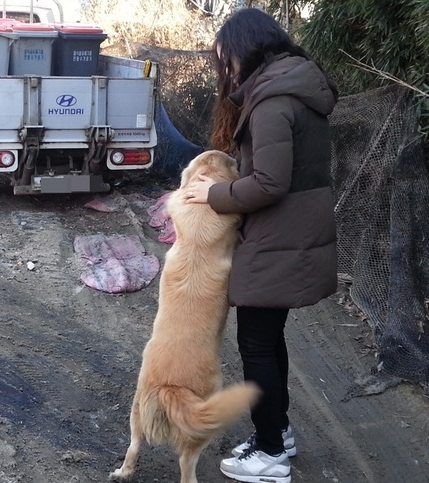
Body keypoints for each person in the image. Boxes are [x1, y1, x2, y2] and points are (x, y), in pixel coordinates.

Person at [184, 7, 338, 483]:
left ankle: (270, 453)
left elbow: (269, 184)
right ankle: (280, 432)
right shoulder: (297, 87)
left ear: (246, 50)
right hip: (296, 231)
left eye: (226, 57)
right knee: (268, 341)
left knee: (255, 345)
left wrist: (213, 194)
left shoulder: (272, 100)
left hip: (277, 237)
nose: (226, 67)